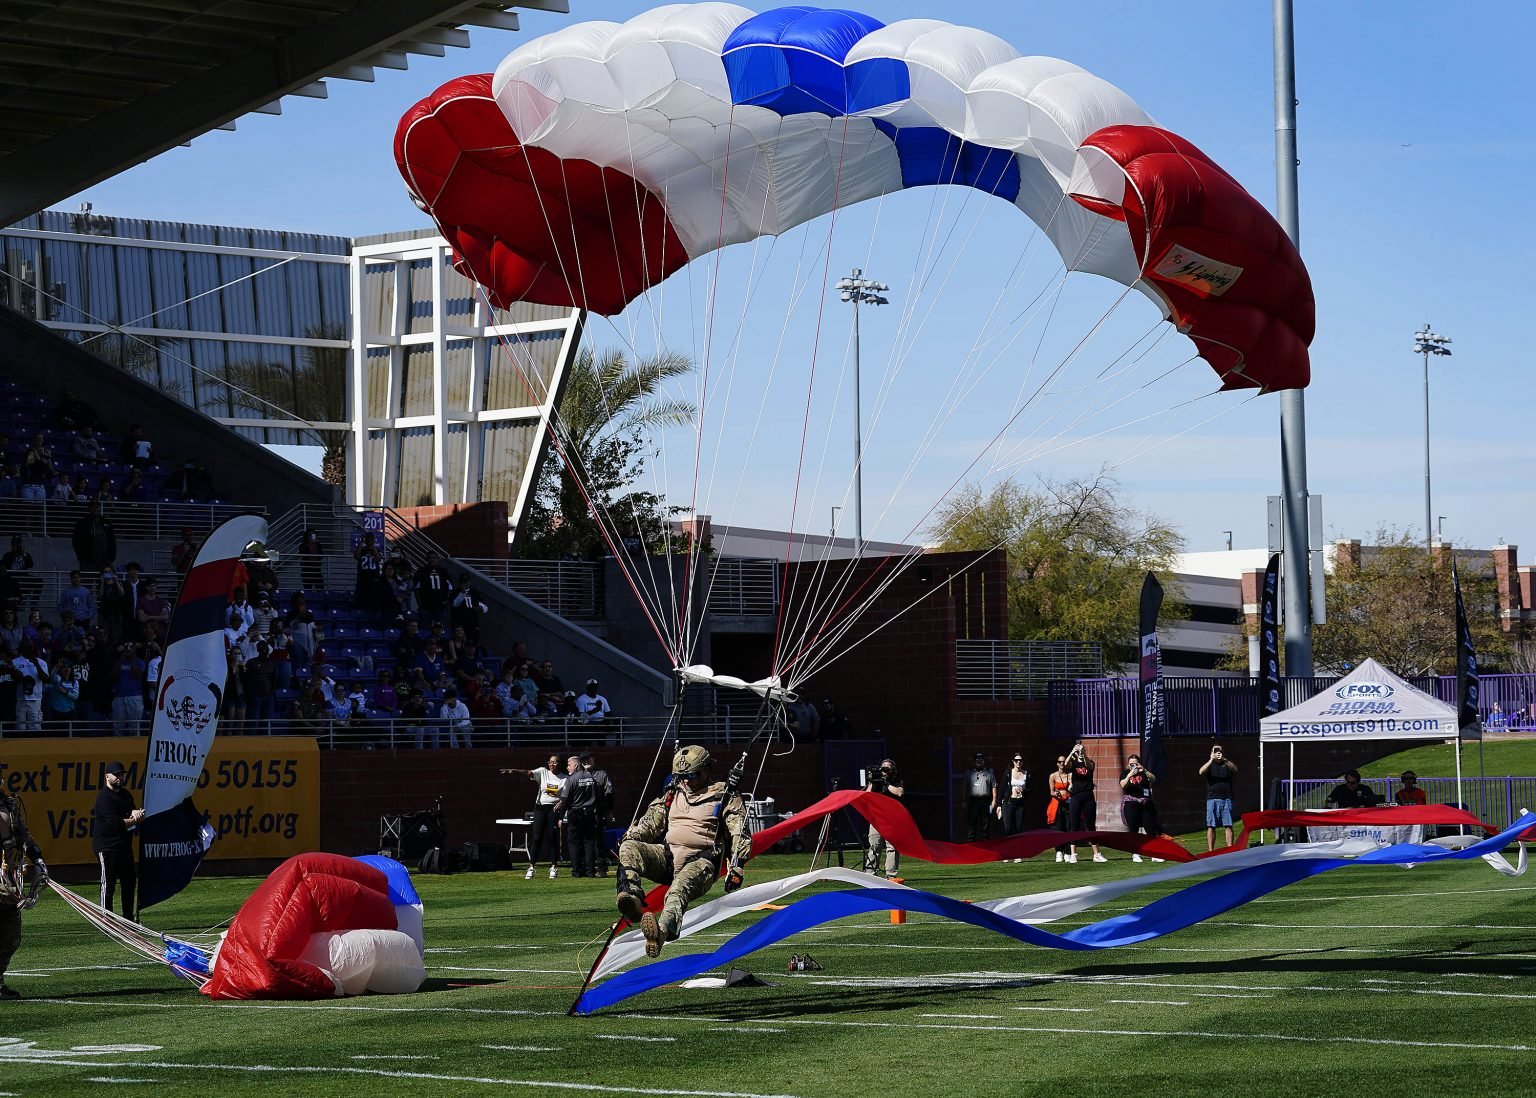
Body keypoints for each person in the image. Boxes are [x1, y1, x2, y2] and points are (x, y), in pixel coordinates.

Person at [616, 746, 749, 958]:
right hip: (669, 857)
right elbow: (651, 823)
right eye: (681, 776)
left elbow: (738, 830)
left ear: (707, 770)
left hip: (702, 862)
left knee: (678, 889)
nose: (686, 780)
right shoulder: (674, 793)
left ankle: (661, 932)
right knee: (629, 847)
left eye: (692, 775)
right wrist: (629, 838)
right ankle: (632, 900)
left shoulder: (724, 794)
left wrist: (737, 866)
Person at [0, 787, 47, 999]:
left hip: (9, 878)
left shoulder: (9, 803)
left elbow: (23, 834)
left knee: (11, 937)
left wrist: (36, 856)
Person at [501, 753, 568, 880]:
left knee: (552, 838)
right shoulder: (543, 772)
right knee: (537, 838)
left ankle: (554, 867)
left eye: (554, 762)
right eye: (550, 762)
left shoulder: (564, 778)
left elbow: (566, 796)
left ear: (560, 764)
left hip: (553, 809)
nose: (551, 764)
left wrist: (561, 802)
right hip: (540, 808)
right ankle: (531, 867)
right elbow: (528, 772)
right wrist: (513, 771)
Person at [93, 761, 144, 919]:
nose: (120, 777)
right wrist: (135, 820)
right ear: (107, 776)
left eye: (122, 774)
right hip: (107, 846)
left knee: (129, 882)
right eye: (116, 775)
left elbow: (131, 811)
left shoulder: (125, 795)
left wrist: (136, 812)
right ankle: (107, 919)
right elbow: (117, 824)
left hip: (124, 846)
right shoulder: (104, 798)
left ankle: (128, 918)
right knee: (108, 885)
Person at [556, 752, 613, 879]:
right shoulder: (592, 779)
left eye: (569, 765)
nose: (567, 768)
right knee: (589, 843)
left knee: (574, 842)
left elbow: (565, 800)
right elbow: (600, 796)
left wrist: (560, 817)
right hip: (590, 813)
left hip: (576, 812)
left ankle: (577, 871)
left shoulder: (572, 779)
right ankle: (590, 871)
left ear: (576, 766)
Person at [861, 757, 904, 878]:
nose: (885, 771)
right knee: (874, 845)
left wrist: (886, 783)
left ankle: (891, 875)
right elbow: (866, 795)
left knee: (892, 847)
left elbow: (899, 792)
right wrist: (874, 781)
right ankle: (870, 873)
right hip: (877, 818)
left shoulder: (896, 781)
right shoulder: (875, 782)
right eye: (883, 768)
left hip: (891, 818)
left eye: (888, 769)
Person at [1064, 742, 1105, 863]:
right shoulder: (1074, 763)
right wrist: (1072, 751)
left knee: (1091, 825)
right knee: (1074, 825)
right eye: (1078, 751)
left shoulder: (1089, 762)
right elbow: (1066, 765)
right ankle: (1073, 854)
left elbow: (1089, 766)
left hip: (1088, 795)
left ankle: (1096, 854)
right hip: (1076, 796)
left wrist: (1084, 754)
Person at [1119, 753, 1161, 862]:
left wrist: (1145, 770)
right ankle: (1135, 853)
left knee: (1150, 828)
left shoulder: (1144, 773)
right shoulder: (1125, 773)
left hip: (1145, 803)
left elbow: (1154, 779)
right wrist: (1130, 775)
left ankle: (1154, 853)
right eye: (1131, 764)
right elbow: (1123, 785)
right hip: (1131, 803)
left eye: (1135, 764)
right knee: (1134, 829)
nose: (1133, 766)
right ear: (1128, 764)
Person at [1200, 744, 1239, 851]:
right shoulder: (1210, 765)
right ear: (1211, 752)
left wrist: (1225, 760)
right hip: (1212, 798)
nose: (1218, 752)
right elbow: (1201, 771)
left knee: (1228, 825)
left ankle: (1230, 849)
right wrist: (1210, 759)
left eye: (1220, 750)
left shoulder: (1227, 764)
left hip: (1226, 798)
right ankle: (1210, 850)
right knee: (1211, 826)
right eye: (1215, 750)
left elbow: (1235, 769)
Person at [999, 754, 1031, 852]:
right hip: (1008, 803)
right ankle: (1007, 851)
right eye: (1016, 760)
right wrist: (999, 805)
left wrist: (1023, 790)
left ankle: (1017, 852)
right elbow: (1002, 788)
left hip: (1020, 804)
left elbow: (1031, 789)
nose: (1018, 762)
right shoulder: (1008, 773)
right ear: (1013, 761)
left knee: (1018, 829)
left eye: (1020, 760)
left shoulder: (1027, 774)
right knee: (1008, 828)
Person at [965, 752, 999, 842]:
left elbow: (994, 786)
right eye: (977, 760)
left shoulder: (989, 773)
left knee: (985, 824)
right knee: (972, 823)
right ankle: (971, 845)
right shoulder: (969, 773)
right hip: (973, 801)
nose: (979, 761)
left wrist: (994, 800)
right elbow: (964, 788)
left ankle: (985, 845)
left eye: (981, 760)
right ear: (974, 762)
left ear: (984, 761)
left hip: (985, 801)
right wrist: (963, 800)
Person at [1047, 754, 1072, 862]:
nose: (1062, 764)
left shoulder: (1069, 775)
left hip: (1067, 802)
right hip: (1057, 803)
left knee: (1068, 827)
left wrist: (1070, 789)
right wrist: (1056, 794)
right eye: (1060, 762)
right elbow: (1051, 791)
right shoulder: (1053, 776)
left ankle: (1067, 852)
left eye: (1063, 762)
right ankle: (1058, 851)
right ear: (1057, 763)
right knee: (1058, 828)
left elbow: (1071, 787)